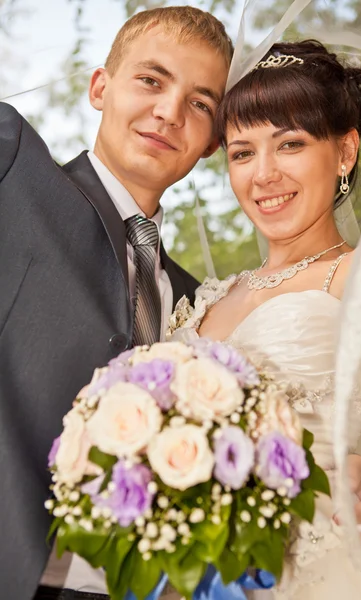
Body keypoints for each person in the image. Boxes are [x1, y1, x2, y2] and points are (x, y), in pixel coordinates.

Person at [0, 6, 233, 600]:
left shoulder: (196, 303)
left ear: (211, 142)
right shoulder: (13, 167)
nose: (169, 113)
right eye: (151, 81)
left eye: (200, 104)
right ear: (100, 87)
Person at [169, 39, 361, 598]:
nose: (263, 174)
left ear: (345, 152)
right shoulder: (207, 297)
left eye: (290, 143)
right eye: (242, 153)